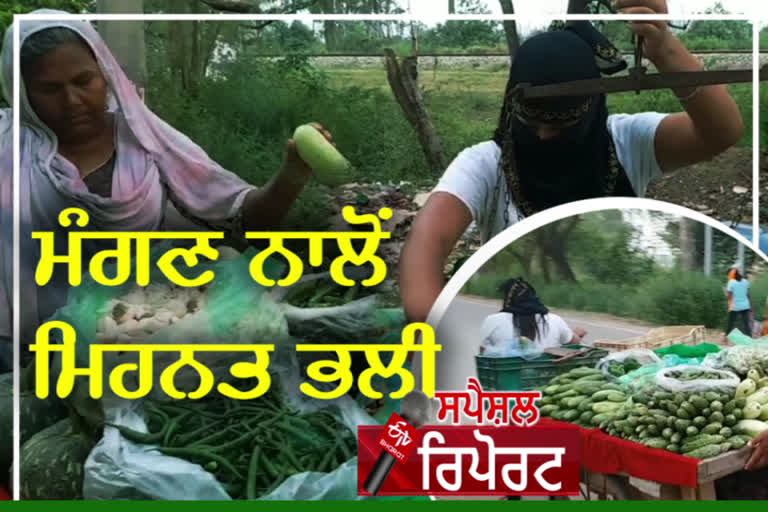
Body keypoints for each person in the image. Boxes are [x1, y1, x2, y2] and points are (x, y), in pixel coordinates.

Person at [0, 13, 335, 370]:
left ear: (105, 73)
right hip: (26, 349)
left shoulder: (147, 140)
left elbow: (246, 218)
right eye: (49, 89)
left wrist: (293, 173)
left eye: (84, 80)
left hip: (132, 339)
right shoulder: (8, 144)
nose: (72, 100)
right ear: (21, 89)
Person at [400, 0, 744, 323]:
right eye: (532, 122)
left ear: (593, 107)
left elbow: (721, 132)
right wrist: (436, 334)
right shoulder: (484, 164)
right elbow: (426, 246)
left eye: (563, 123)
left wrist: (664, 47)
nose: (545, 135)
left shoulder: (627, 142)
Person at [479, 278, 587, 354]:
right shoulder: (554, 320)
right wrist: (576, 333)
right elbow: (574, 344)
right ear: (533, 298)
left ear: (508, 300)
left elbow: (483, 353)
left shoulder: (492, 321)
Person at [726, 269, 752, 338]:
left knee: (730, 323)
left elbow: (729, 296)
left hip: (735, 306)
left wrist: (729, 305)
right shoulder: (746, 282)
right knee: (746, 324)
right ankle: (750, 338)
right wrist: (751, 306)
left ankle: (725, 338)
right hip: (745, 306)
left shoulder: (731, 282)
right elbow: (748, 295)